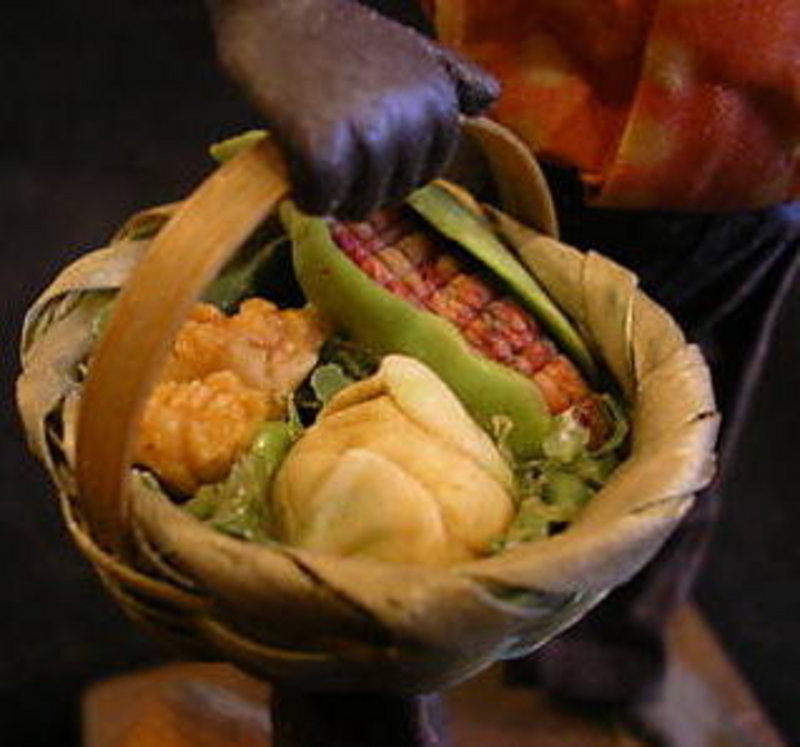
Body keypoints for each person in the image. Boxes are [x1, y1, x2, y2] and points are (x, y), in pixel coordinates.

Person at [205, 0, 800, 734]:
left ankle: (600, 663)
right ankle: (362, 694)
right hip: (525, 106)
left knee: (686, 457)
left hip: (766, 168)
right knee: (388, 528)